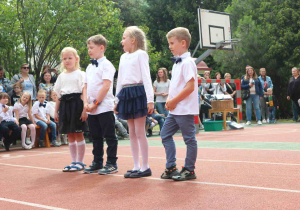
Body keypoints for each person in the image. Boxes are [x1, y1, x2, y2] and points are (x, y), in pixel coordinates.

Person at [115, 26, 154, 178]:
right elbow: (119, 80)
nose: (121, 41)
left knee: (139, 131)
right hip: (125, 93)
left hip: (138, 92)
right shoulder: (123, 57)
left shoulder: (141, 54)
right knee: (131, 132)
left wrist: (150, 100)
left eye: (124, 38)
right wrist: (116, 99)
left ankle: (145, 166)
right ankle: (136, 165)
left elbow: (146, 77)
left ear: (133, 40)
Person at [160, 27, 198, 181]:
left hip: (184, 109)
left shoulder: (188, 62)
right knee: (165, 134)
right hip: (175, 109)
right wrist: (170, 99)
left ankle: (189, 169)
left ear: (183, 43)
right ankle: (171, 167)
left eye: (171, 43)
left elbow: (190, 87)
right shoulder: (176, 63)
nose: (169, 46)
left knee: (189, 139)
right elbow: (174, 86)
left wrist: (174, 101)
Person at [82, 34, 118, 175]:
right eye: (88, 48)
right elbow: (85, 86)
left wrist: (96, 103)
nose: (89, 50)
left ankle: (111, 163)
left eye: (92, 48)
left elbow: (106, 86)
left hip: (104, 107)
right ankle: (97, 161)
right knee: (95, 136)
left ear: (101, 47)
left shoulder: (107, 65)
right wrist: (86, 103)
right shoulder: (89, 67)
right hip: (91, 108)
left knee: (109, 136)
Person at [54, 47, 87, 172]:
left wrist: (85, 109)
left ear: (76, 59)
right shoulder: (61, 76)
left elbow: (84, 93)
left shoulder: (81, 74)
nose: (67, 61)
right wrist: (55, 111)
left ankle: (80, 162)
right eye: (64, 59)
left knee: (78, 133)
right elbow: (59, 95)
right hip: (65, 105)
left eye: (70, 58)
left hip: (77, 104)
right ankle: (73, 161)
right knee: (70, 134)